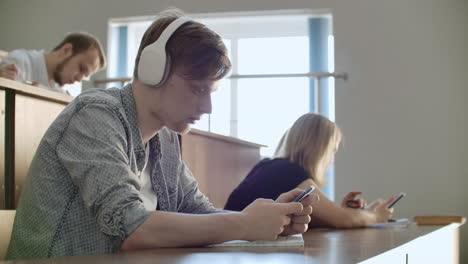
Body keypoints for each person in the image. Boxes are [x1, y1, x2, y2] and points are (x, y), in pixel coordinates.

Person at [6, 8, 315, 260]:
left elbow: (198, 212)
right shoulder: (95, 115)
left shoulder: (164, 138)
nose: (207, 106)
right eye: (197, 89)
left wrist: (266, 220)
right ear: (155, 69)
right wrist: (243, 224)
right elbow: (130, 227)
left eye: (212, 92)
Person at [224, 113, 395, 228]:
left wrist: (356, 214)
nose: (332, 159)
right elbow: (342, 219)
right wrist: (376, 217)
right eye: (333, 150)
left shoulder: (271, 166)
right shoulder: (289, 173)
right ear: (320, 149)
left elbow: (333, 218)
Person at [0, 32, 106, 94]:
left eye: (84, 76)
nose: (79, 79)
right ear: (66, 50)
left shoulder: (59, 92)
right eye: (82, 69)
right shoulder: (19, 62)